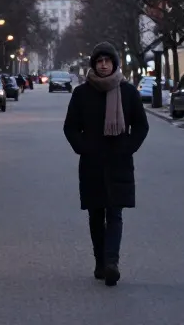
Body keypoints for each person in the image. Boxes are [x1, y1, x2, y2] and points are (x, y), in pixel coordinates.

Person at [62, 42, 148, 287]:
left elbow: (141, 126)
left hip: (118, 162)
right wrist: (83, 147)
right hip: (91, 163)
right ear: (93, 64)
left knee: (115, 213)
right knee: (95, 214)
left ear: (114, 63)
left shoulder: (129, 92)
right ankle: (100, 261)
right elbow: (70, 127)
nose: (103, 65)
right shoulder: (81, 93)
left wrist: (127, 147)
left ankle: (112, 263)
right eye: (99, 61)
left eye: (107, 61)